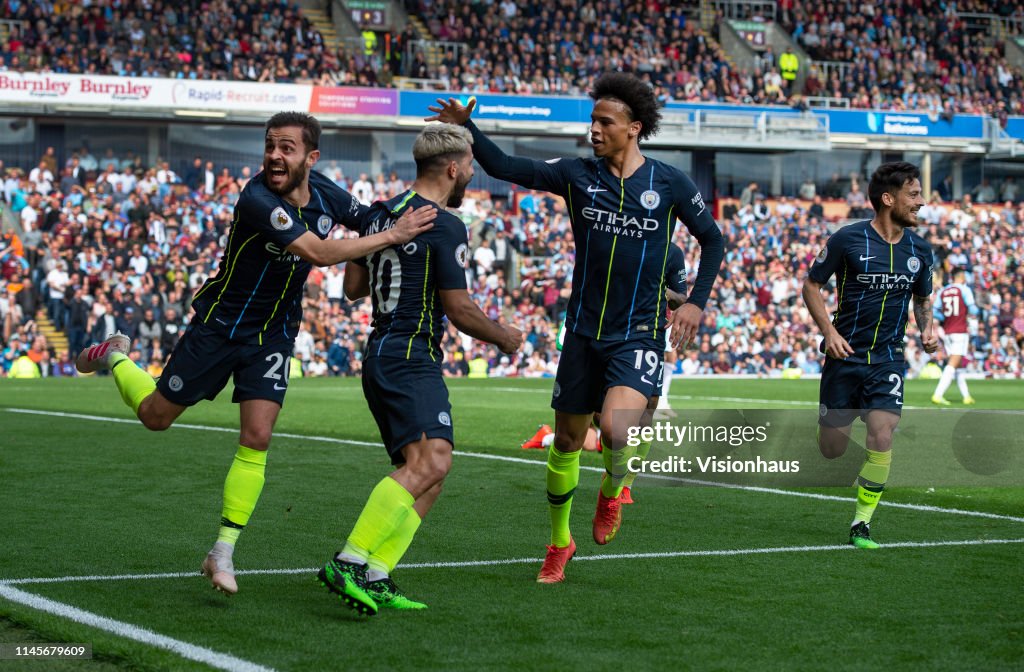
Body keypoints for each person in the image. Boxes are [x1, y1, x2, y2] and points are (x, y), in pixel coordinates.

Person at [75, 112, 435, 596]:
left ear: (311, 157)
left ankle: (221, 551)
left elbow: (370, 214)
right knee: (156, 416)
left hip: (274, 334)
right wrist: (393, 234)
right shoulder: (257, 199)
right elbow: (320, 252)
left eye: (286, 148)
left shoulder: (327, 192)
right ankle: (117, 356)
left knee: (258, 435)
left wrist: (423, 205)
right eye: (269, 146)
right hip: (220, 328)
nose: (274, 156)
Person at [427, 72, 724, 583]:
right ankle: (559, 544)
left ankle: (612, 492)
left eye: (604, 122)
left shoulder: (671, 182)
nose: (594, 129)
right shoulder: (577, 175)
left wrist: (696, 301)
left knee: (614, 428)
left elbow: (713, 241)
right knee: (566, 442)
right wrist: (467, 124)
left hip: (639, 332)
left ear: (633, 128)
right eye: (592, 120)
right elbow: (503, 166)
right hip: (584, 333)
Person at [317, 123, 523, 614]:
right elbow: (460, 309)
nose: (472, 173)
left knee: (429, 470)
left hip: (382, 353)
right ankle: (349, 561)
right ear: (453, 168)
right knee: (431, 464)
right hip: (410, 355)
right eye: (470, 166)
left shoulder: (382, 216)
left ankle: (377, 573)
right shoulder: (445, 224)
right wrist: (505, 336)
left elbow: (352, 289)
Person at [802, 161, 938, 550]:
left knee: (882, 433)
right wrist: (828, 332)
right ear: (887, 198)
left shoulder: (920, 250)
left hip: (888, 359)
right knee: (833, 449)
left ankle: (861, 524)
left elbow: (922, 299)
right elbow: (811, 285)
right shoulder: (848, 240)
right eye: (914, 195)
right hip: (844, 359)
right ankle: (828, 425)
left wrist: (927, 327)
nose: (921, 202)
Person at [932, 267, 977, 405]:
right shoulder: (964, 290)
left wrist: (946, 317)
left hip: (948, 332)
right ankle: (937, 394)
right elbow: (973, 309)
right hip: (960, 331)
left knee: (958, 365)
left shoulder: (943, 291)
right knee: (953, 364)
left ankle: (966, 396)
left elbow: (936, 311)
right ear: (962, 277)